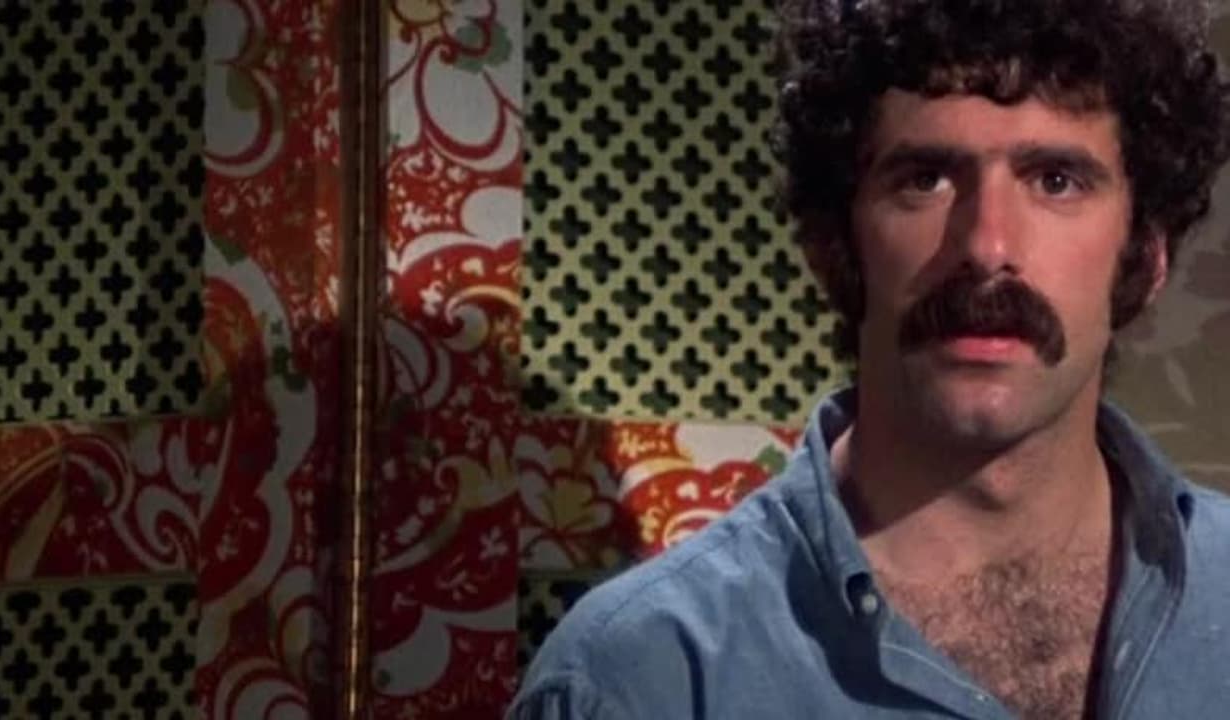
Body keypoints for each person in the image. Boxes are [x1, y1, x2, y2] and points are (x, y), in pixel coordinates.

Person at [510, 0, 1230, 717]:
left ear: (1146, 256)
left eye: (1055, 181)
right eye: (925, 180)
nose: (986, 248)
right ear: (833, 248)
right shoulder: (636, 680)